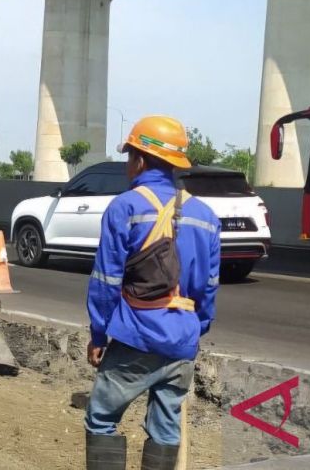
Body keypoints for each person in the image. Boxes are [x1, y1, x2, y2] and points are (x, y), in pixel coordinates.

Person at [83, 116, 222, 470]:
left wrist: (99, 334)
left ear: (140, 160)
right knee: (165, 429)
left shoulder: (125, 207)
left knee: (101, 418)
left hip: (137, 337)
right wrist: (195, 329)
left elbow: (106, 281)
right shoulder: (205, 216)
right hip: (182, 341)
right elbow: (208, 287)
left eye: (130, 156)